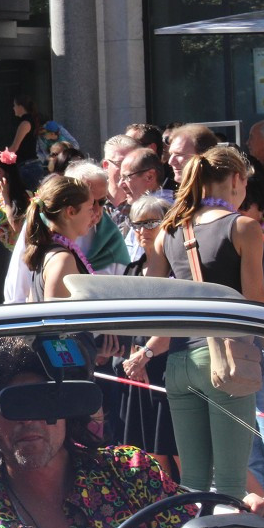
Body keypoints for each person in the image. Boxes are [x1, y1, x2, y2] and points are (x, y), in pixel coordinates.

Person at [0, 336, 264, 528]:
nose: (29, 419)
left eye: (45, 401)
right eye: (14, 404)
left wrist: (256, 519)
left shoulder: (131, 474)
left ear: (69, 406)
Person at [145, 145, 264, 498]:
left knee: (192, 482)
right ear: (238, 179)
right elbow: (255, 306)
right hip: (226, 361)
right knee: (229, 482)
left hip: (178, 362)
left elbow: (153, 297)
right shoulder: (243, 227)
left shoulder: (170, 231)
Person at [117, 195, 178, 477]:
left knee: (175, 450)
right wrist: (133, 357)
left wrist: (146, 354)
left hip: (166, 366)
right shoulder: (133, 270)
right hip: (137, 369)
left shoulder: (177, 270)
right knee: (148, 452)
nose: (142, 230)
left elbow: (176, 323)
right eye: (136, 223)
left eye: (151, 223)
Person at [22, 176, 95, 301]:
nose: (93, 215)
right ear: (71, 212)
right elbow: (56, 317)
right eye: (89, 209)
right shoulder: (62, 260)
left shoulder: (49, 250)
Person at [6, 96, 43, 190]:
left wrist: (0, 158)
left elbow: (14, 147)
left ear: (20, 107)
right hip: (30, 166)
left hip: (28, 166)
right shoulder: (30, 121)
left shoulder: (25, 123)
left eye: (14, 105)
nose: (13, 108)